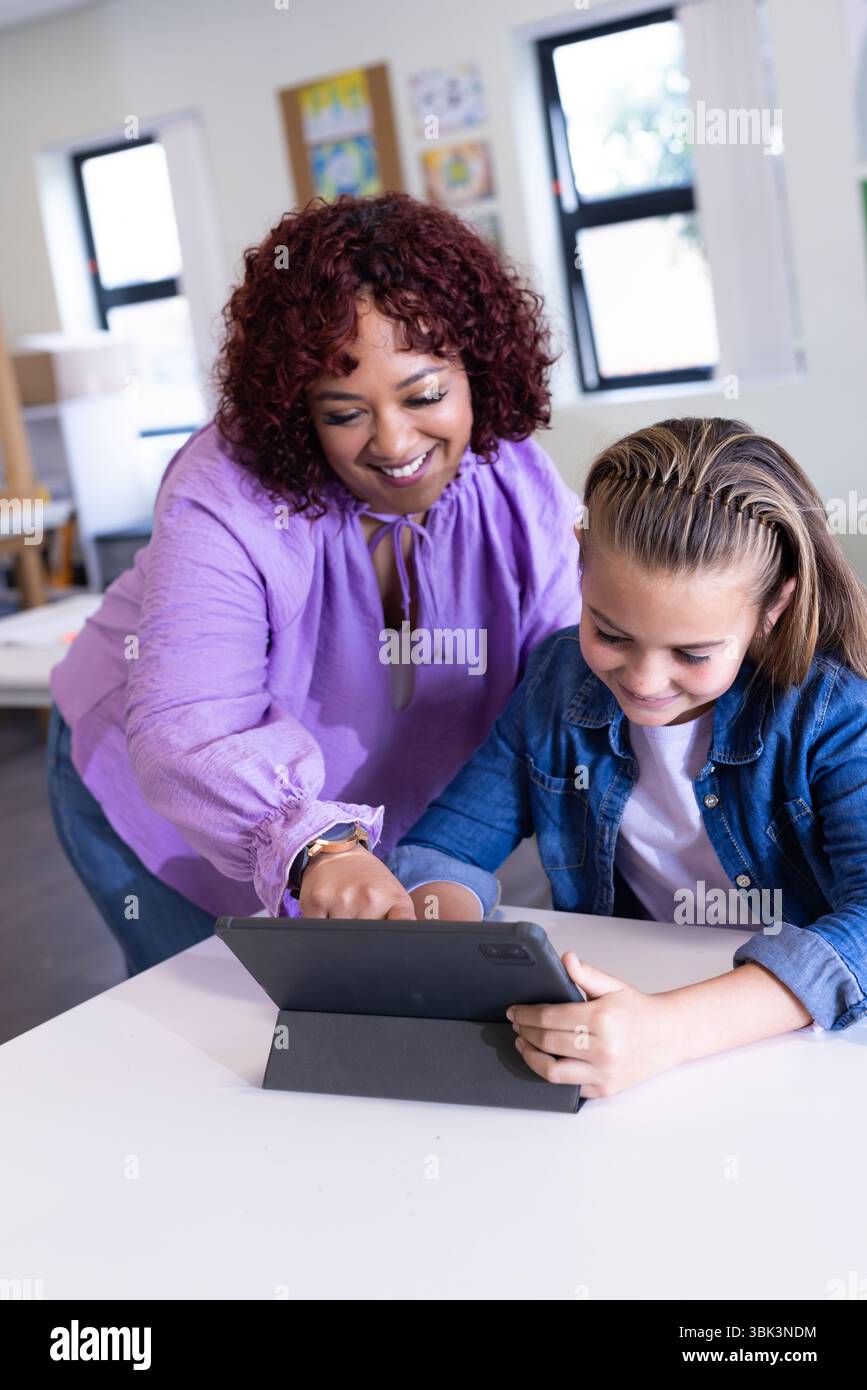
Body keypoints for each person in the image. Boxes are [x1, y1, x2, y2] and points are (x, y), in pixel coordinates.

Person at [46, 191, 581, 975]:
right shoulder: (225, 494)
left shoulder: (517, 485)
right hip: (166, 790)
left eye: (425, 394)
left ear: (480, 370)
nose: (395, 443)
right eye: (344, 413)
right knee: (218, 1034)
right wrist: (313, 843)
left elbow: (571, 675)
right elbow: (189, 726)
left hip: (353, 827)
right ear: (298, 410)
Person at [383, 417, 867, 1098]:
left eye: (692, 654)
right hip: (627, 1023)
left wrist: (667, 1031)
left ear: (772, 608)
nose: (642, 680)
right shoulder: (556, 680)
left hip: (794, 1047)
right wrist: (439, 943)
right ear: (579, 562)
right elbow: (446, 851)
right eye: (609, 633)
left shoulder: (833, 714)